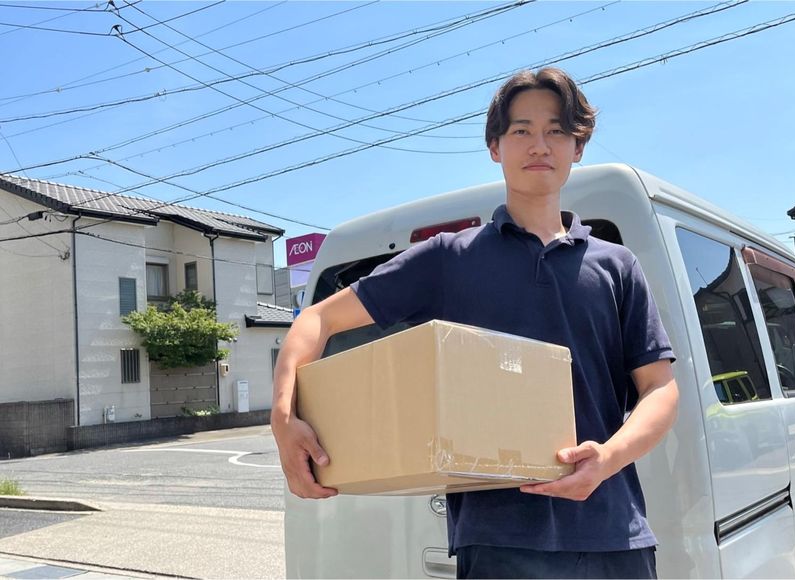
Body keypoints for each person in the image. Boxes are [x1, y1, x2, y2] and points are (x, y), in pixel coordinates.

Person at [271, 67, 679, 579]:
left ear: (577, 147)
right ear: (495, 147)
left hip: (615, 534)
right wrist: (283, 418)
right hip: (498, 542)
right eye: (521, 130)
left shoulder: (616, 265)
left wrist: (610, 457)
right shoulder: (450, 258)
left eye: (556, 131)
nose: (539, 145)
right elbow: (316, 319)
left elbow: (660, 388)